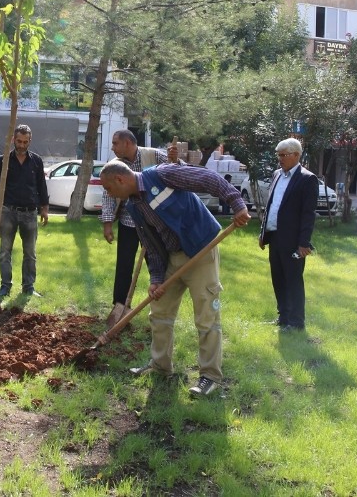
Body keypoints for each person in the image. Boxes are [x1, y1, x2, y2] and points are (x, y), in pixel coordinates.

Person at [98, 160, 250, 397]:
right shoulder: (134, 206)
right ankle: (160, 366)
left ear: (120, 179)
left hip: (201, 251)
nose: (108, 194)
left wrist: (236, 203)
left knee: (206, 316)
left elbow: (207, 179)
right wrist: (156, 279)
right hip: (173, 257)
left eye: (108, 188)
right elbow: (151, 244)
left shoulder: (163, 175)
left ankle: (209, 377)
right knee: (159, 312)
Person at [100, 130, 179, 328]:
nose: (112, 147)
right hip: (128, 222)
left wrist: (175, 161)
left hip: (153, 224)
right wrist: (108, 223)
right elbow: (108, 194)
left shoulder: (156, 155)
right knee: (124, 266)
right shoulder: (116, 165)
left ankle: (161, 309)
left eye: (115, 143)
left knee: (157, 264)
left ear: (127, 143)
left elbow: (178, 173)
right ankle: (120, 305)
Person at [258, 138, 318, 332]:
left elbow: (308, 215)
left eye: (283, 155)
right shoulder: (277, 174)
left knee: (293, 280)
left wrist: (303, 243)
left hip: (293, 241)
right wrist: (263, 233)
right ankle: (283, 317)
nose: (280, 159)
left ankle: (296, 322)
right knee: (278, 278)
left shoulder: (307, 179)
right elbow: (271, 207)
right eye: (278, 155)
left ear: (296, 156)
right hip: (275, 236)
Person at [0, 124, 49, 297]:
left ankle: (28, 287)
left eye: (25, 142)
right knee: (4, 252)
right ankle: (5, 286)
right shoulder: (4, 161)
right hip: (8, 212)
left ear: (30, 141)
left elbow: (42, 186)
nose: (22, 145)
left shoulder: (36, 161)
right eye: (19, 141)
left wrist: (44, 209)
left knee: (30, 253)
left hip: (30, 213)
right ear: (13, 140)